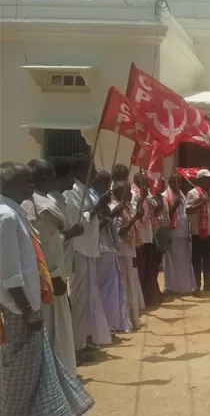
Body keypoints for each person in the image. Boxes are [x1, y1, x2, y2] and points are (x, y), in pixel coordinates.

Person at [0, 162, 94, 416]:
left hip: (28, 301)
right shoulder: (5, 216)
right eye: (25, 182)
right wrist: (28, 310)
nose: (31, 187)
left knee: (32, 367)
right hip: (18, 306)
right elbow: (9, 273)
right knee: (18, 370)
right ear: (8, 185)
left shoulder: (13, 212)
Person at [22, 159, 77, 376]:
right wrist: (54, 275)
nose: (56, 178)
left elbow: (56, 239)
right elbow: (42, 245)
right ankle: (58, 377)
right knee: (54, 329)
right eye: (52, 175)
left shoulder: (37, 203)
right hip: (49, 277)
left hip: (51, 274)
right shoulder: (40, 206)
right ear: (45, 178)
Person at [64, 154, 112, 356]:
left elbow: (95, 216)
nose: (91, 172)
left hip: (91, 248)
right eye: (88, 169)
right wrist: (98, 206)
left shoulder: (86, 191)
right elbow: (80, 221)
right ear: (77, 171)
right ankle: (75, 346)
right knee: (79, 298)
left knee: (88, 298)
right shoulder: (73, 193)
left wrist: (103, 208)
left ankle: (84, 339)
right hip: (79, 249)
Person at [93, 170, 131, 333]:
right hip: (101, 247)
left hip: (110, 247)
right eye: (105, 183)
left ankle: (111, 323)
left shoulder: (103, 200)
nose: (108, 187)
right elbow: (93, 226)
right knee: (104, 289)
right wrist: (112, 215)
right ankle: (104, 325)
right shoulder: (96, 201)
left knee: (113, 289)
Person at [112, 182, 145, 329]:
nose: (131, 194)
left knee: (131, 286)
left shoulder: (127, 206)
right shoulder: (116, 208)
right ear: (120, 193)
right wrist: (134, 219)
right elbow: (120, 232)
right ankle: (125, 322)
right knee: (124, 287)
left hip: (130, 250)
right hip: (121, 252)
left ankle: (133, 319)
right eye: (128, 192)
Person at [162, 173, 196, 295]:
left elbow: (185, 212)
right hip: (172, 234)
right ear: (169, 183)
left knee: (183, 261)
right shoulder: (165, 196)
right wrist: (173, 207)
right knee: (171, 261)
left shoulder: (181, 195)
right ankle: (171, 287)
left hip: (183, 234)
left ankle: (183, 287)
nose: (177, 184)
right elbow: (164, 216)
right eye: (175, 182)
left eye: (179, 182)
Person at [186, 169, 210, 293]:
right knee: (197, 260)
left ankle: (208, 283)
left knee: (208, 259)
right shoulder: (193, 193)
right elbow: (187, 210)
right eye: (207, 178)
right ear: (201, 180)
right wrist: (200, 203)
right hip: (198, 231)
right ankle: (196, 285)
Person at [132, 172, 160, 306]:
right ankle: (142, 298)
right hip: (140, 238)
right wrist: (141, 199)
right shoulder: (133, 193)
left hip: (149, 235)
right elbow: (134, 211)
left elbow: (154, 208)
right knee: (141, 270)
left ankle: (148, 296)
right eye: (144, 180)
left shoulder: (146, 193)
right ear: (137, 180)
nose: (146, 183)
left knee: (149, 268)